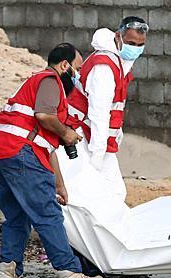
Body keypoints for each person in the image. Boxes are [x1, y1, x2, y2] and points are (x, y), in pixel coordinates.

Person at [0, 43, 104, 278]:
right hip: (18, 151)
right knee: (48, 215)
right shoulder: (50, 80)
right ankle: (70, 275)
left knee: (17, 216)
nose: (77, 77)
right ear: (64, 65)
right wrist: (67, 132)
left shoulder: (33, 84)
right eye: (77, 69)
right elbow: (44, 116)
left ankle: (8, 274)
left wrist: (59, 184)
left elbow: (47, 147)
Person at [66, 16, 149, 203]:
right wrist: (98, 153)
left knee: (113, 194)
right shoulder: (104, 66)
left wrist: (114, 135)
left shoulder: (119, 61)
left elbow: (113, 107)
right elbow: (99, 112)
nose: (135, 48)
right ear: (118, 37)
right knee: (96, 194)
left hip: (93, 136)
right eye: (131, 43)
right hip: (83, 135)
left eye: (140, 44)